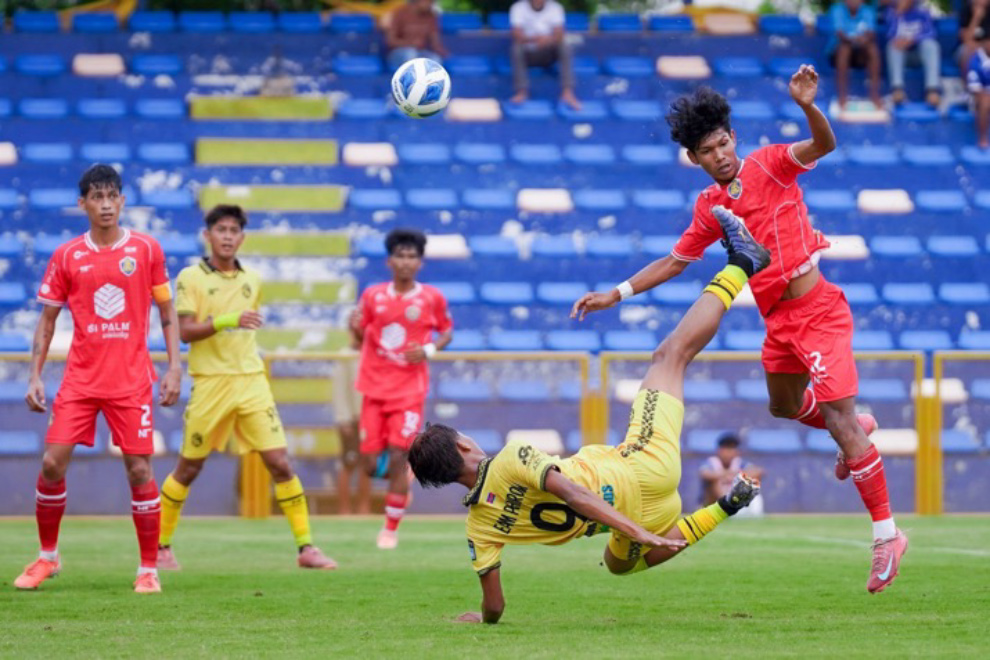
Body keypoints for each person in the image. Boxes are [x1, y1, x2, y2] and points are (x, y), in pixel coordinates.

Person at [571, 66, 908, 594]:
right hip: (779, 322)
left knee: (840, 420)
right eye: (707, 150)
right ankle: (853, 429)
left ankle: (887, 534)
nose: (720, 155)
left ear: (735, 137)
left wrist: (807, 106)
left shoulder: (772, 163)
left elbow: (825, 144)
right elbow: (676, 261)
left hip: (818, 310)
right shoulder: (710, 205)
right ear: (694, 159)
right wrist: (616, 293)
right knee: (783, 405)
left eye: (723, 143)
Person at [409, 214, 767, 624]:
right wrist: (633, 530)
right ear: (463, 445)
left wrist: (482, 618)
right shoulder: (511, 457)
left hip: (648, 516)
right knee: (670, 356)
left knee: (619, 565)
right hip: (643, 467)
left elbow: (495, 606)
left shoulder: (479, 528)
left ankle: (725, 506)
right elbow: (574, 494)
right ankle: (742, 263)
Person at [15, 164, 181, 594]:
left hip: (131, 380)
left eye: (112, 197)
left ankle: (148, 569)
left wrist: (174, 367)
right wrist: (34, 376)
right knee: (51, 464)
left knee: (139, 469)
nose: (106, 205)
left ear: (122, 201)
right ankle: (47, 557)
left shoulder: (145, 249)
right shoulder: (67, 255)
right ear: (83, 203)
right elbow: (47, 321)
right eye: (97, 197)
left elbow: (167, 312)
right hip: (81, 381)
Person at [155, 204, 335, 571]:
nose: (227, 236)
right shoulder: (191, 277)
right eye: (220, 230)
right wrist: (228, 319)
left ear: (242, 237)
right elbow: (185, 331)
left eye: (233, 230)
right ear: (207, 235)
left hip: (251, 381)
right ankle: (160, 547)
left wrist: (234, 323)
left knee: (280, 463)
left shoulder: (253, 279)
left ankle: (306, 547)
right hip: (210, 383)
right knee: (188, 469)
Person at [351, 229, 453, 549]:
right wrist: (352, 326)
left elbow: (447, 332)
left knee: (398, 455)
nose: (406, 262)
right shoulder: (372, 295)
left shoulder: (431, 298)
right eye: (400, 256)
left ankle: (390, 529)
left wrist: (429, 350)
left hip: (409, 390)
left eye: (412, 257)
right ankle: (403, 470)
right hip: (373, 387)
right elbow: (358, 335)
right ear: (389, 261)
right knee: (369, 467)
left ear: (420, 263)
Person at [509, 0, 581, 110]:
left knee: (564, 47)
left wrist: (547, 40)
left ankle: (567, 92)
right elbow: (516, 35)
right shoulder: (518, 8)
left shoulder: (555, 8)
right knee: (516, 48)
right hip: (529, 53)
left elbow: (559, 34)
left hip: (548, 53)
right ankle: (522, 92)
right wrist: (534, 40)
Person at [333, 341, 372, 515]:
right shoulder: (346, 355)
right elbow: (340, 389)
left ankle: (364, 508)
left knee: (367, 464)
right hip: (351, 419)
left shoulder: (373, 352)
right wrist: (344, 418)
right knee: (348, 464)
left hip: (369, 419)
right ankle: (344, 510)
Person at [885, 0, 941, 106]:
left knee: (931, 45)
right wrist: (898, 14)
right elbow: (890, 34)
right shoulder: (892, 11)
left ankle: (932, 90)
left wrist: (913, 40)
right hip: (901, 56)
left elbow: (931, 33)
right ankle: (897, 89)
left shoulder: (923, 11)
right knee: (892, 46)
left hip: (919, 55)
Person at [828, 0, 882, 109]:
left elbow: (871, 33)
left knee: (872, 49)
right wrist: (855, 40)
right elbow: (840, 33)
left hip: (861, 52)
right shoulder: (837, 9)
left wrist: (862, 40)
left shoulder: (867, 10)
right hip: (839, 52)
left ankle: (875, 95)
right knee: (845, 49)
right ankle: (842, 97)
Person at [699, 433, 765, 512]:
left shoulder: (740, 463)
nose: (728, 452)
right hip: (716, 504)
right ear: (719, 450)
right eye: (725, 448)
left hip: (736, 500)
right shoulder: (712, 462)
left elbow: (758, 471)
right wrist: (725, 474)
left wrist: (734, 475)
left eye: (731, 448)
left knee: (752, 483)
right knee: (712, 482)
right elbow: (705, 474)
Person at [385, 0, 449, 71]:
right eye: (427, 2)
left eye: (431, 2)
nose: (430, 5)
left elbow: (435, 41)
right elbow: (391, 41)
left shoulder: (431, 15)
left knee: (436, 60)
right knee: (411, 54)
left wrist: (442, 52)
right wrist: (410, 43)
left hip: (420, 52)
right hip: (399, 53)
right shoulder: (400, 12)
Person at [967, 33, 990, 149]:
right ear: (984, 42)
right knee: (985, 101)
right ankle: (982, 139)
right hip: (976, 97)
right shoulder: (976, 59)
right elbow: (975, 89)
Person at [959, 0, 990, 76]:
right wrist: (976, 18)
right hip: (968, 47)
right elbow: (966, 39)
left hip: (986, 46)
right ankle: (970, 81)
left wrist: (983, 45)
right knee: (968, 50)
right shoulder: (966, 10)